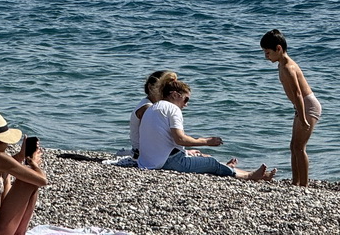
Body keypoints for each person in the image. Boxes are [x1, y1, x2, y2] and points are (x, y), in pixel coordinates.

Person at [137, 77, 274, 181]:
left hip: (147, 161)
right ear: (174, 95)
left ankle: (243, 172)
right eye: (186, 100)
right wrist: (207, 141)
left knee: (200, 158)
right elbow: (180, 139)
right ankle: (249, 176)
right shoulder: (172, 109)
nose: (186, 105)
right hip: (166, 162)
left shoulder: (153, 107)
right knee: (211, 163)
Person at [261, 28, 320, 186]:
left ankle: (304, 185)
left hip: (308, 106)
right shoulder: (281, 64)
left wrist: (302, 117)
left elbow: (299, 94)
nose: (266, 56)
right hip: (301, 106)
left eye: (268, 52)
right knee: (293, 146)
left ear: (278, 49)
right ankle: (295, 182)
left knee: (300, 147)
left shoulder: (288, 67)